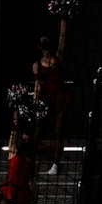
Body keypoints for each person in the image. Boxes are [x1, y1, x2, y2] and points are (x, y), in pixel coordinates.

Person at [32, 17, 69, 176]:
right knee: (39, 127)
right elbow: (37, 85)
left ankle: (55, 164)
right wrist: (34, 102)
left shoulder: (57, 56)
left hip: (60, 96)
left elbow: (63, 37)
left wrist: (63, 19)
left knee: (58, 131)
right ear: (40, 46)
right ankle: (30, 159)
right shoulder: (36, 64)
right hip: (45, 98)